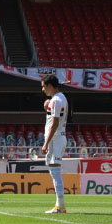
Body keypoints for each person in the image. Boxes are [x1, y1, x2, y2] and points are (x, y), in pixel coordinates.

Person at [41, 74, 69, 214]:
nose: (42, 89)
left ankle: (61, 206)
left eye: (44, 86)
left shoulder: (56, 101)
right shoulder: (61, 98)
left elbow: (55, 123)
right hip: (60, 137)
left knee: (55, 172)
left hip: (55, 139)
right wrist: (48, 106)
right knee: (54, 171)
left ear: (50, 86)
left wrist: (46, 142)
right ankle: (59, 204)